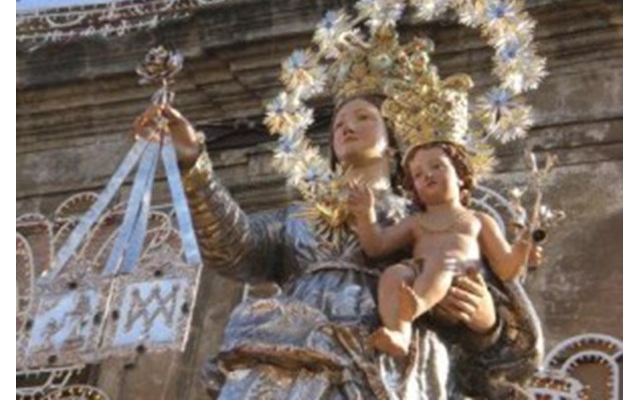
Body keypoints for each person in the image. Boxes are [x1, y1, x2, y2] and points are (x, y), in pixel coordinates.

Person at [136, 96, 542, 399]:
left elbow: (501, 332)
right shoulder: (297, 216)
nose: (346, 127)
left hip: (390, 360)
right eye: (337, 124)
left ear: (394, 141)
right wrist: (193, 165)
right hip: (293, 346)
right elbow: (232, 247)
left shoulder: (426, 218)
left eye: (364, 117)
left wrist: (487, 323)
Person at [348, 141, 538, 359]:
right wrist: (365, 216)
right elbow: (376, 247)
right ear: (414, 190)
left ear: (460, 175)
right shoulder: (416, 222)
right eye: (418, 174)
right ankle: (400, 333)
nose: (427, 174)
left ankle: (418, 304)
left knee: (444, 260)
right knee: (393, 274)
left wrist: (524, 247)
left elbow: (505, 268)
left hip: (461, 275)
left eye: (437, 166)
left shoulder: (478, 220)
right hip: (420, 273)